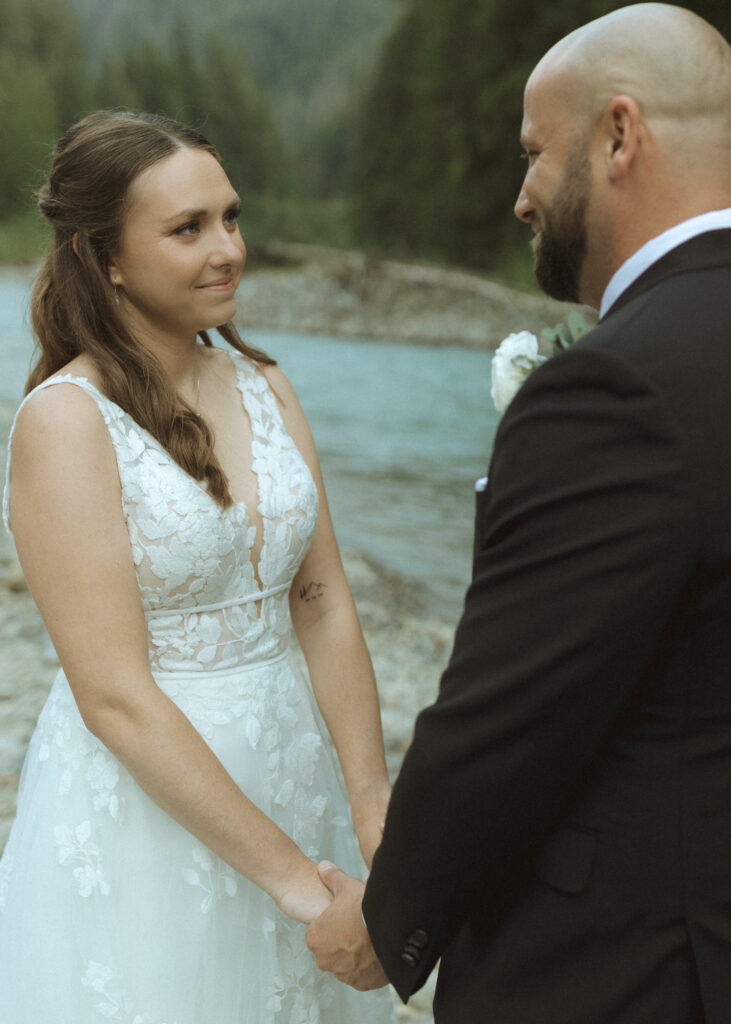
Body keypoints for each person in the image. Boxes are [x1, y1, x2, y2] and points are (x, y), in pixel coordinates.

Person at [305, 4, 731, 1021]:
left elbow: (515, 703)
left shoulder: (618, 384)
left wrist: (391, 916)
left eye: (534, 152)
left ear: (618, 135)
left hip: (632, 964)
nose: (518, 197)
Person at [0, 110, 396, 1024]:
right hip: (149, 806)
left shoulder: (265, 386)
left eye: (230, 216)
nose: (228, 249)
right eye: (188, 229)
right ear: (106, 258)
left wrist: (370, 797)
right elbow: (115, 698)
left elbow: (322, 597)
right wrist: (300, 886)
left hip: (294, 774)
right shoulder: (66, 423)